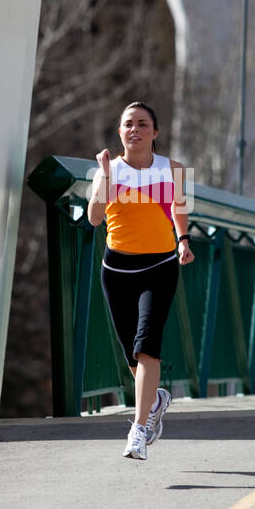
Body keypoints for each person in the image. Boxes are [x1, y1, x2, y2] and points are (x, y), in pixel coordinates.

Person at [87, 101, 194, 460]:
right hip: (117, 271)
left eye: (143, 124)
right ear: (120, 132)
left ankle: (138, 429)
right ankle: (157, 400)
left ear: (155, 133)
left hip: (160, 267)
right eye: (128, 124)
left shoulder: (173, 169)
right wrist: (103, 176)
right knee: (133, 357)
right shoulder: (108, 169)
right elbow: (94, 218)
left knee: (147, 344)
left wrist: (183, 241)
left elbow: (178, 209)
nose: (135, 129)